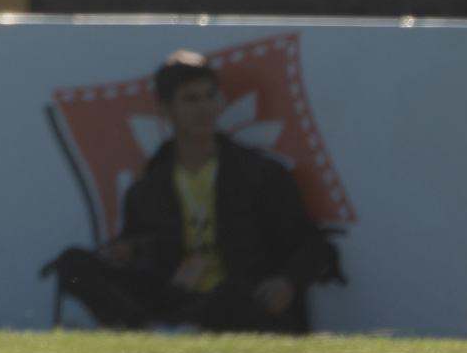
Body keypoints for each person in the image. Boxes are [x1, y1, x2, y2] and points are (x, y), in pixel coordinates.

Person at [53, 51, 340, 334]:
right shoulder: (148, 187)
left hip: (236, 305)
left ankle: (163, 334)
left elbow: (313, 246)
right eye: (190, 99)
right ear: (165, 109)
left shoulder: (260, 174)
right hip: (171, 302)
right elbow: (145, 254)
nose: (204, 108)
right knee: (74, 263)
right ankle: (155, 331)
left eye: (210, 96)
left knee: (233, 294)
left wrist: (288, 282)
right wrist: (126, 251)